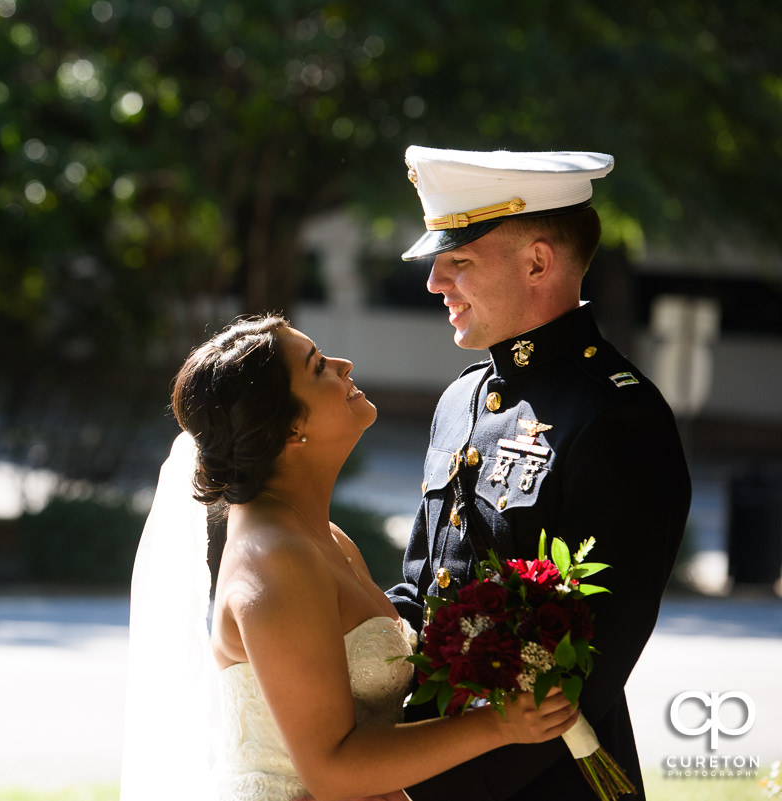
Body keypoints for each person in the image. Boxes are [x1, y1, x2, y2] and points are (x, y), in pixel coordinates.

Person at [121, 314, 580, 801]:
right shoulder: (272, 562)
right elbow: (332, 769)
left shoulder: (327, 538)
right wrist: (499, 724)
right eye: (319, 366)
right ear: (291, 423)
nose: (345, 365)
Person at [386, 146, 692, 800]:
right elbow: (420, 595)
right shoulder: (461, 399)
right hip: (428, 761)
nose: (437, 282)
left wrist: (422, 787)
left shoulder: (616, 417)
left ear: (537, 261)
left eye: (459, 261)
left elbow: (588, 669)